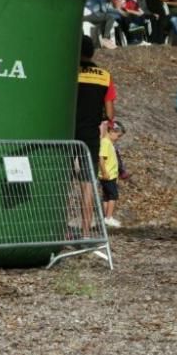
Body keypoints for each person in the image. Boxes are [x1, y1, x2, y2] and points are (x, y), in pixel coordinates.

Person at [75, 35, 115, 233]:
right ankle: (85, 232)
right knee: (87, 181)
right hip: (90, 133)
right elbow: (109, 113)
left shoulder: (68, 72)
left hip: (66, 130)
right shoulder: (105, 76)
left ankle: (59, 230)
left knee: (60, 178)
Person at [99, 120, 124, 228]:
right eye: (118, 136)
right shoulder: (106, 142)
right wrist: (104, 172)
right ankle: (109, 217)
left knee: (106, 196)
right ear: (112, 131)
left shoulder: (109, 143)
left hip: (110, 174)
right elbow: (101, 158)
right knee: (113, 196)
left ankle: (105, 217)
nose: (118, 138)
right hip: (107, 175)